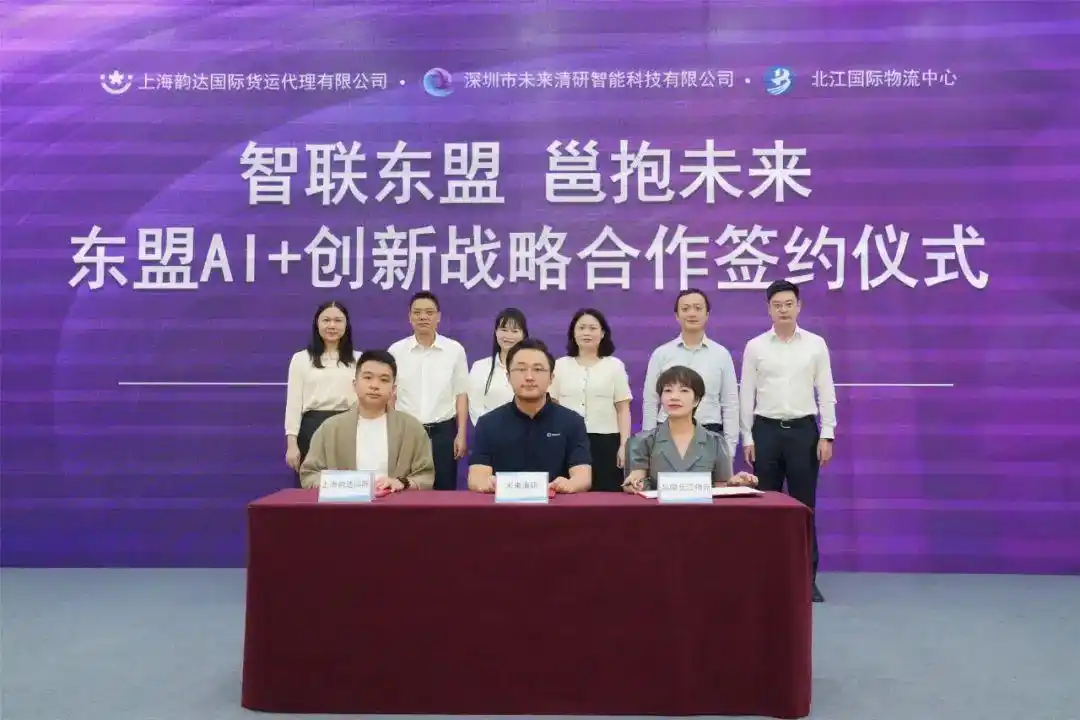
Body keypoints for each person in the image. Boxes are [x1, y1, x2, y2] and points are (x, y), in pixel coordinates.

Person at [740, 280, 836, 604]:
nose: (783, 309)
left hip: (803, 432)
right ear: (768, 309)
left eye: (788, 304)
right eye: (777, 304)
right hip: (765, 431)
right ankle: (765, 577)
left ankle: (807, 579)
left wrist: (827, 433)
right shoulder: (755, 346)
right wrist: (747, 436)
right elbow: (746, 393)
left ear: (799, 306)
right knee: (764, 507)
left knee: (804, 507)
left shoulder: (815, 345)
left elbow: (826, 390)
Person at [468, 338, 591, 495]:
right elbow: (476, 477)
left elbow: (583, 476)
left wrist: (569, 484)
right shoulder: (488, 423)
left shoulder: (572, 422)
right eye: (521, 369)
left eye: (538, 369)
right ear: (508, 377)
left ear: (551, 378)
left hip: (556, 505)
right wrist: (487, 484)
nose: (529, 377)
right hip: (503, 507)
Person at [299, 349, 434, 492]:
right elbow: (309, 475)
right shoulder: (330, 428)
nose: (375, 385)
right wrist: (342, 484)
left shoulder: (412, 428)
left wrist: (402, 483)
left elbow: (425, 476)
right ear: (354, 384)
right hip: (344, 504)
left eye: (384, 380)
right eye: (368, 377)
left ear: (393, 389)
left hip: (395, 504)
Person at [623, 366, 757, 492]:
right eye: (668, 390)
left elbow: (721, 489)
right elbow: (637, 479)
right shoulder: (642, 441)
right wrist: (634, 484)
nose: (674, 397)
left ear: (696, 400)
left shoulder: (716, 442)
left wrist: (735, 484)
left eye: (684, 391)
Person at [641, 288, 739, 458]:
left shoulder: (721, 354)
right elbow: (651, 401)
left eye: (698, 308)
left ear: (707, 314)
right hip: (667, 432)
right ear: (677, 315)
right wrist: (648, 443)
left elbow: (730, 403)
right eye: (685, 309)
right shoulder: (661, 354)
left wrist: (729, 448)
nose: (692, 313)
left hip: (709, 432)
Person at [388, 291, 469, 491]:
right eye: (417, 312)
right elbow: (390, 396)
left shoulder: (454, 350)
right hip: (407, 431)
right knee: (405, 488)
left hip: (443, 432)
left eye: (429, 312)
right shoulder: (396, 351)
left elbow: (461, 394)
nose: (423, 317)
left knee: (444, 490)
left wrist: (461, 434)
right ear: (409, 317)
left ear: (438, 317)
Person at [549, 308, 632, 492]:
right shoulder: (559, 365)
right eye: (581, 328)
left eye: (593, 328)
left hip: (606, 442)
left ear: (602, 333)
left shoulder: (615, 366)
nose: (587, 333)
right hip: (567, 441)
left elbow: (623, 408)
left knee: (606, 495)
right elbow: (552, 406)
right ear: (573, 332)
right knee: (567, 493)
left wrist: (624, 445)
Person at [284, 301, 359, 476]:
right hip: (312, 428)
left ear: (346, 325)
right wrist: (292, 444)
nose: (332, 325)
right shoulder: (301, 359)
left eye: (338, 320)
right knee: (312, 485)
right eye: (326, 320)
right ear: (317, 323)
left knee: (349, 484)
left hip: (348, 427)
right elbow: (293, 404)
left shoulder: (359, 359)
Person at [467, 308, 528, 425]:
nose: (508, 336)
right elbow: (475, 406)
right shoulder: (480, 367)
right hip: (490, 431)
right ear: (496, 332)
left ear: (523, 335)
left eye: (515, 331)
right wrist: (493, 430)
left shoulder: (532, 368)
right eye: (504, 330)